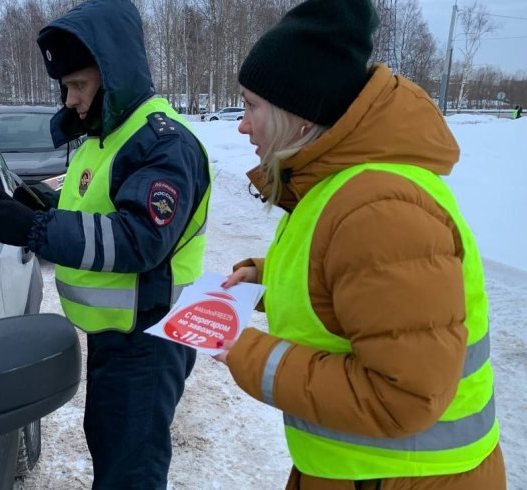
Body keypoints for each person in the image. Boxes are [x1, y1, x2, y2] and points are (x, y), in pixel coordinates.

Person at [213, 0, 506, 488]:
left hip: (406, 479)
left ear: (299, 115)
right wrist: (262, 280)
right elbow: (344, 276)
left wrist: (244, 350)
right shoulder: (340, 185)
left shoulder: (378, 209)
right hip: (361, 474)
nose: (241, 124)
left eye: (250, 105)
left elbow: (405, 396)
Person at [0, 0, 212, 487]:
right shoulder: (103, 135)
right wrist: (39, 205)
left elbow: (138, 238)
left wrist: (34, 230)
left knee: (131, 470)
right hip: (118, 334)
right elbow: (90, 209)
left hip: (149, 339)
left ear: (114, 74)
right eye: (65, 87)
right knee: (113, 448)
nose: (69, 100)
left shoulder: (161, 143)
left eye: (78, 85)